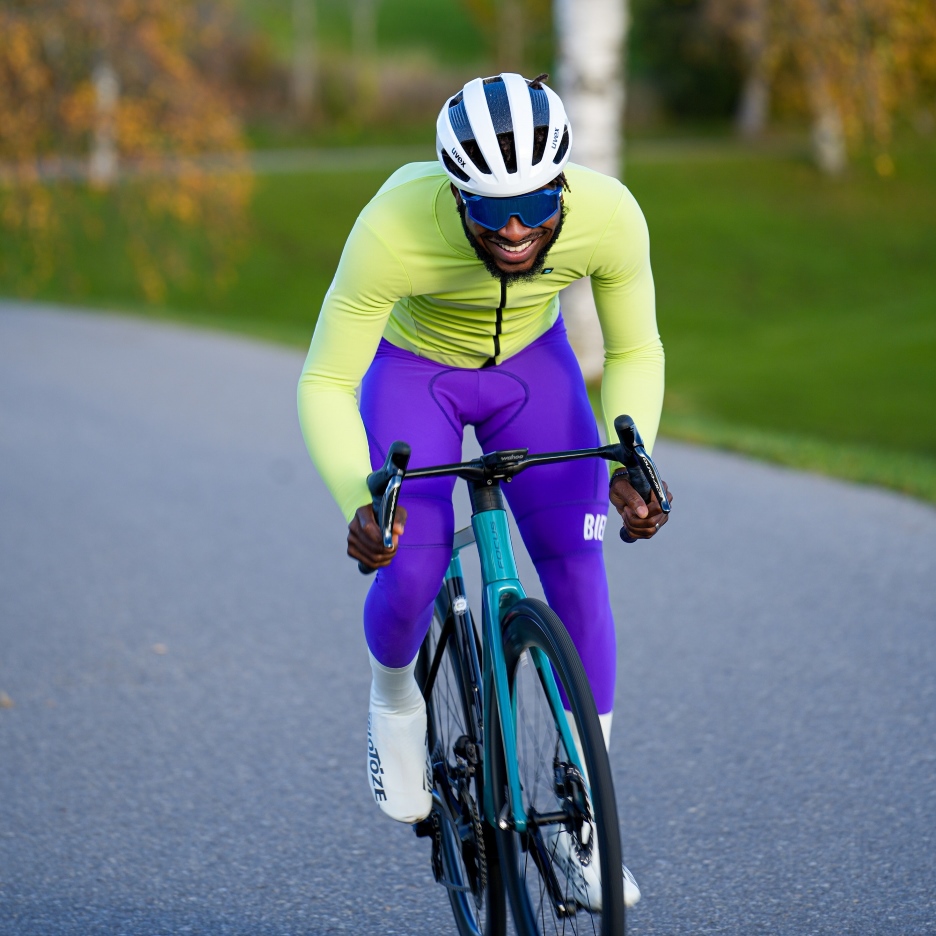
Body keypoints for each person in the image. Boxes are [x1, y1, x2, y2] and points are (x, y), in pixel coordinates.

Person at [297, 72, 670, 910]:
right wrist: (359, 496)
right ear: (454, 191)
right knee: (411, 568)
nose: (512, 229)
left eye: (536, 209)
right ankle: (394, 697)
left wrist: (629, 457)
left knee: (578, 571)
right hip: (414, 376)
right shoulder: (395, 225)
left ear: (564, 186)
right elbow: (325, 378)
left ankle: (585, 825)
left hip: (533, 374)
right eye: (488, 210)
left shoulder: (611, 216)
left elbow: (637, 350)